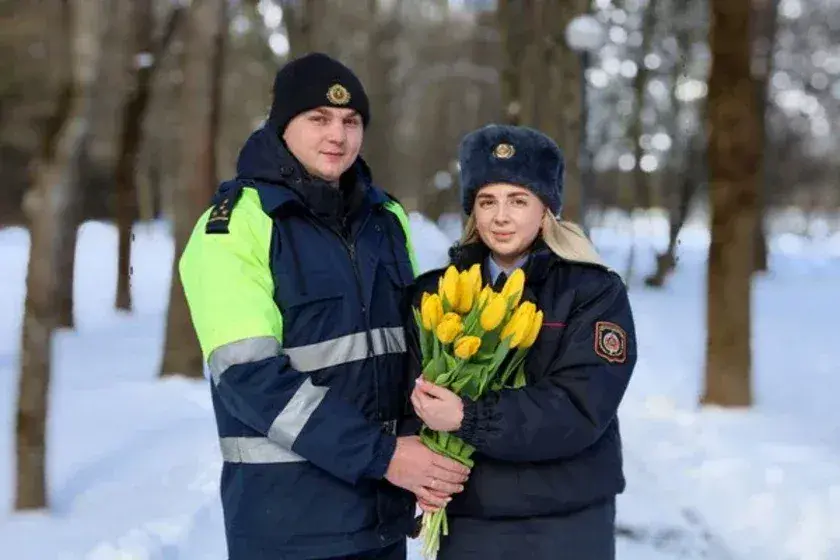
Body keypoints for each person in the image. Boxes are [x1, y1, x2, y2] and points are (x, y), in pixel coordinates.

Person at [178, 52, 469, 560]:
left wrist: (424, 459)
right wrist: (385, 457)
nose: (337, 135)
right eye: (319, 118)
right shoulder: (232, 227)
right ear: (282, 124)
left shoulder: (385, 216)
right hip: (289, 525)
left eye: (350, 121)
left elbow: (407, 355)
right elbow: (251, 380)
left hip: (381, 517)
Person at [408, 124, 637, 559]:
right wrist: (424, 469)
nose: (501, 216)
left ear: (546, 208)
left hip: (564, 522)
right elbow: (408, 396)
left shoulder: (592, 292)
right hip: (469, 521)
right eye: (486, 201)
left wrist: (467, 417)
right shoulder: (434, 293)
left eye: (518, 200)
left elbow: (580, 407)